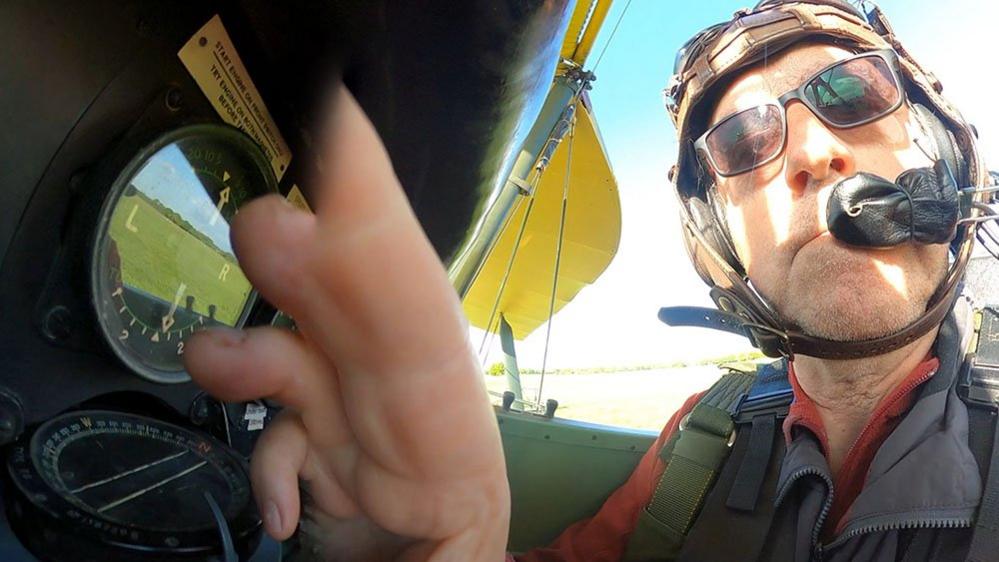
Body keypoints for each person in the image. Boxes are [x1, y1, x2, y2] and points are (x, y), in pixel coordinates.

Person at [182, 0, 998, 560]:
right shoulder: (701, 438)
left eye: (852, 94)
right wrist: (404, 549)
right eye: (744, 146)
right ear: (721, 245)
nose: (815, 153)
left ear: (937, 150)